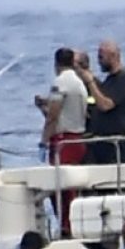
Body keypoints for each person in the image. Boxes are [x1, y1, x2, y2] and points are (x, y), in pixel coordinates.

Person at [35, 47, 88, 234]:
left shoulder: (60, 83)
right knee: (69, 188)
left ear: (56, 63)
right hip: (77, 138)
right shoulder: (79, 83)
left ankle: (67, 226)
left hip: (64, 141)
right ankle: (71, 225)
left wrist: (43, 141)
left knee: (61, 189)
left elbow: (53, 116)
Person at [75, 39, 125, 165]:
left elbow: (105, 105)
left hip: (114, 147)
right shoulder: (108, 82)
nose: (99, 61)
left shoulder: (124, 79)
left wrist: (90, 82)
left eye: (101, 57)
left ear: (113, 56)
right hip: (98, 145)